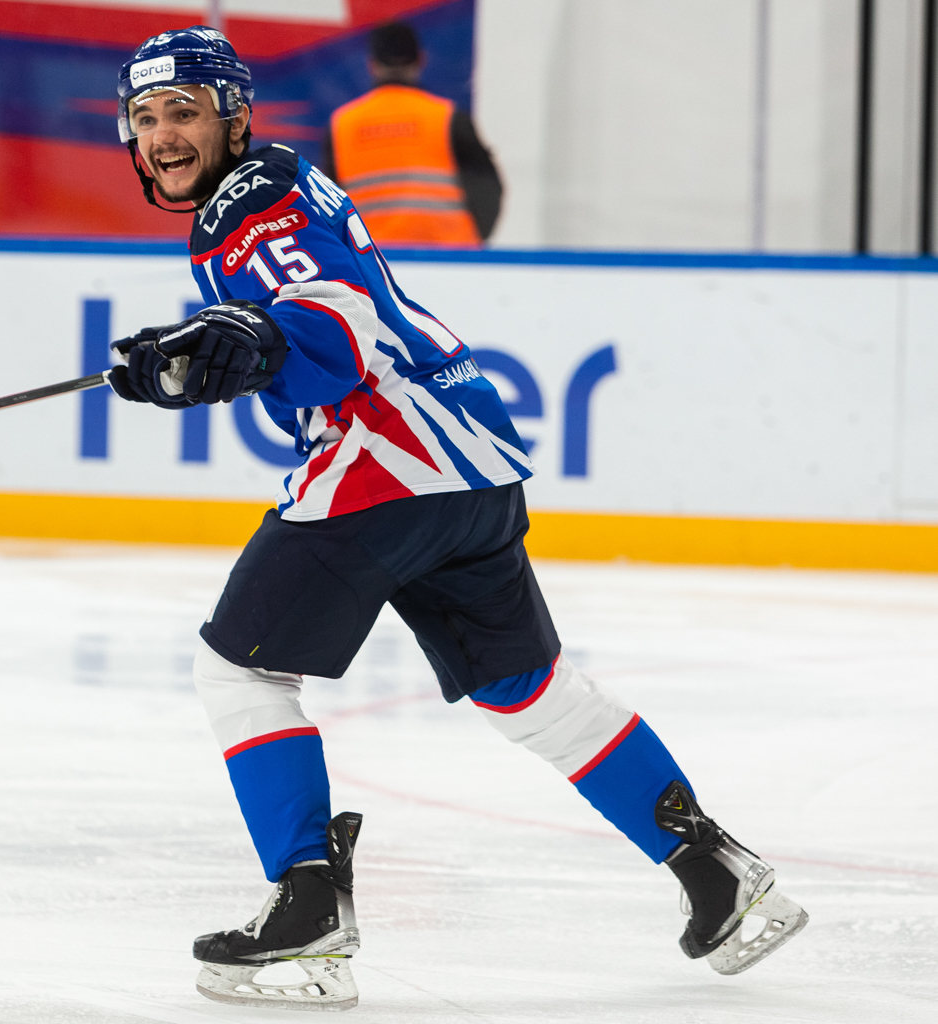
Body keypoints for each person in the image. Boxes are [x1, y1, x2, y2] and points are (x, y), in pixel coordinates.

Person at [106, 26, 807, 1011]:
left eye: (183, 110)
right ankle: (719, 875)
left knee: (240, 669)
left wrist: (249, 336)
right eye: (145, 118)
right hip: (468, 461)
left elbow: (331, 320)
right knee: (528, 689)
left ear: (234, 115)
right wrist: (199, 353)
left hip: (386, 463)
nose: (163, 134)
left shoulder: (248, 204)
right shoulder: (271, 185)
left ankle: (307, 910)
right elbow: (287, 321)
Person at [324, 21, 502, 247]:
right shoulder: (448, 118)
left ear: (372, 65)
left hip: (373, 258)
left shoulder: (341, 125)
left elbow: (326, 202)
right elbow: (488, 189)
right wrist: (471, 244)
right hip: (449, 257)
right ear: (421, 60)